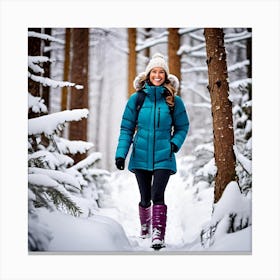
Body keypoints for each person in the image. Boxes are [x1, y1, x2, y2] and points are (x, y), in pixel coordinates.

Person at [115, 53, 190, 250]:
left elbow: (183, 127)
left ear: (166, 76)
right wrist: (121, 154)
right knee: (145, 197)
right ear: (148, 75)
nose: (157, 75)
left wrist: (174, 144)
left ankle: (158, 234)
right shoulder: (137, 99)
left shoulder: (174, 101)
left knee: (158, 194)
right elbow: (126, 128)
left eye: (161, 72)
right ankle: (146, 228)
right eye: (154, 72)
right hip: (140, 155)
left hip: (164, 155)